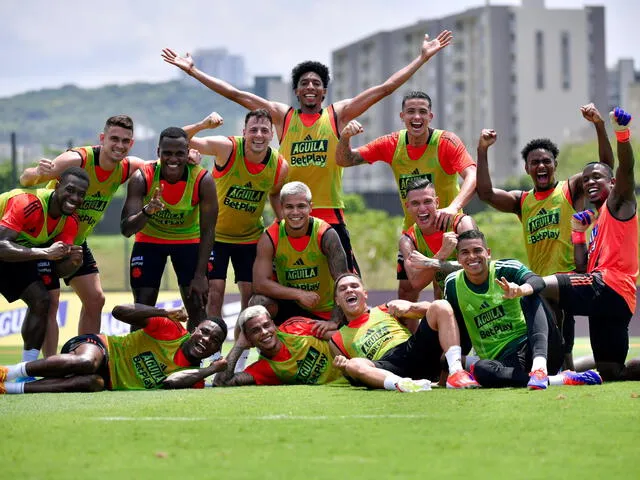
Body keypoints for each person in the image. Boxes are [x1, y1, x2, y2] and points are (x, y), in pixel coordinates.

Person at [162, 30, 453, 273]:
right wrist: (193, 71)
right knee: (292, 279)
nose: (310, 87)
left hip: (330, 212)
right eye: (304, 84)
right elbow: (236, 95)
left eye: (316, 83)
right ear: (297, 91)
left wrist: (423, 57)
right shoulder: (282, 116)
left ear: (324, 91)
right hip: (293, 214)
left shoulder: (337, 115)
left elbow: (385, 88)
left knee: (347, 278)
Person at [475, 103, 615, 369]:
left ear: (555, 165)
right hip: (539, 280)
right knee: (554, 342)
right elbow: (485, 194)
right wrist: (482, 150)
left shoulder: (570, 189)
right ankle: (571, 370)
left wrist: (598, 124)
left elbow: (604, 167)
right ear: (527, 169)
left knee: (565, 336)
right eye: (534, 162)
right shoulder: (522, 201)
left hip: (570, 275)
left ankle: (576, 369)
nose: (541, 166)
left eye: (546, 161)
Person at [521, 108, 639, 383]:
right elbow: (582, 268)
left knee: (537, 287)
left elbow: (627, 168)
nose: (589, 182)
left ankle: (553, 366)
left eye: (597, 177)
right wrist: (577, 234)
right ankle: (566, 365)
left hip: (609, 286)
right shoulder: (597, 222)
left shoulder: (619, 204)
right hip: (613, 301)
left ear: (612, 182)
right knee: (612, 372)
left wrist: (622, 134)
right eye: (585, 180)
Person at [19, 115, 147, 356]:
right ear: (102, 138)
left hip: (75, 240)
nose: (119, 145)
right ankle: (51, 366)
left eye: (125, 141)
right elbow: (25, 179)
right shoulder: (77, 159)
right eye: (114, 139)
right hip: (48, 236)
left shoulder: (128, 167)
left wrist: (192, 156)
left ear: (131, 144)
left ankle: (80, 359)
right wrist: (37, 171)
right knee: (51, 302)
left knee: (96, 299)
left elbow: (163, 163)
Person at [443, 229, 602, 389]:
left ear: (488, 253)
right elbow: (455, 325)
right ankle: (559, 380)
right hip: (506, 363)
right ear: (458, 258)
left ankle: (539, 369)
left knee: (531, 293)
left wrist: (520, 290)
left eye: (477, 250)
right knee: (480, 369)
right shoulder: (452, 285)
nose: (472, 257)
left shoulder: (505, 268)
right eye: (465, 252)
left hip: (540, 347)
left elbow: (537, 281)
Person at [181, 110, 289, 319]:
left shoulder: (279, 165)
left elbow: (275, 194)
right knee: (215, 292)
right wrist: (203, 124)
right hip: (214, 236)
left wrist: (283, 227)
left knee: (250, 294)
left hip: (249, 238)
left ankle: (243, 351)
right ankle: (214, 350)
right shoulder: (227, 148)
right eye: (253, 130)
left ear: (271, 136)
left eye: (264, 130)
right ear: (244, 132)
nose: (258, 135)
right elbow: (177, 137)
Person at [0, 303, 228, 393]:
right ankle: (9, 372)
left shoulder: (195, 378)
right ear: (194, 329)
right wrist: (163, 312)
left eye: (214, 340)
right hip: (102, 348)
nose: (206, 340)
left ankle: (8, 389)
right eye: (205, 332)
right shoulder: (171, 330)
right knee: (86, 363)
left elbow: (170, 383)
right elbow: (119, 312)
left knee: (91, 383)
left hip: (108, 380)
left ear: (216, 349)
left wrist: (210, 370)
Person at [336, 91, 477, 233]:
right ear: (402, 117)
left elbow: (473, 175)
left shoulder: (446, 142)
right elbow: (344, 160)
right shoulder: (392, 143)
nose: (417, 117)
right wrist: (345, 137)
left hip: (450, 232)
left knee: (469, 227)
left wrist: (453, 208)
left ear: (430, 117)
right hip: (414, 237)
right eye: (411, 111)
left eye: (422, 112)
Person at [121, 127, 218, 332]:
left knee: (197, 304)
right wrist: (148, 211)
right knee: (143, 305)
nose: (173, 159)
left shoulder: (203, 180)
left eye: (179, 153)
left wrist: (200, 276)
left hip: (188, 242)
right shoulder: (142, 178)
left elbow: (208, 230)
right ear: (158, 152)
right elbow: (127, 229)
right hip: (149, 241)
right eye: (167, 153)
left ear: (187, 153)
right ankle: (137, 359)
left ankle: (196, 359)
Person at [0, 167, 88, 371]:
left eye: (81, 194)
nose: (74, 198)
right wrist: (44, 253)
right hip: (4, 248)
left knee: (41, 299)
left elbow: (55, 271)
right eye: (70, 190)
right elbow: (1, 245)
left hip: (12, 255)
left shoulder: (71, 222)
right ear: (57, 186)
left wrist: (72, 263)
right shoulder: (28, 203)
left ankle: (25, 369)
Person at [329, 273, 479, 391]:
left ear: (365, 294)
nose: (349, 290)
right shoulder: (336, 339)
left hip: (411, 349)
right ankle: (403, 385)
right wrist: (344, 367)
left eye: (354, 286)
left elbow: (437, 310)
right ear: (337, 300)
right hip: (386, 366)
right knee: (353, 364)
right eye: (343, 289)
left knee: (440, 305)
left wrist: (411, 307)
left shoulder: (386, 308)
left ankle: (456, 372)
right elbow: (355, 377)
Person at [251, 181, 349, 336]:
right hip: (294, 309)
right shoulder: (270, 237)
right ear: (281, 208)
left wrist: (334, 321)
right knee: (257, 303)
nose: (295, 212)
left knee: (339, 341)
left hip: (326, 313)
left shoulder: (325, 234)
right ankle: (266, 353)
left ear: (311, 207)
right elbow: (259, 284)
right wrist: (299, 294)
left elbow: (342, 281)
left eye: (301, 206)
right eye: (289, 207)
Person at [213, 305, 342, 386]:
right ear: (248, 339)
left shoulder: (294, 327)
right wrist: (239, 345)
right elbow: (221, 382)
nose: (264, 332)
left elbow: (340, 337)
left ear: (274, 325)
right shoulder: (264, 369)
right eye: (255, 330)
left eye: (266, 325)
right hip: (342, 384)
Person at [398, 178, 476, 304]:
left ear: (437, 202)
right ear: (408, 207)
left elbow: (477, 267)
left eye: (427, 201)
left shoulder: (461, 224)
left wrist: (429, 263)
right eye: (415, 203)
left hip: (476, 302)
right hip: (445, 309)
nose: (422, 208)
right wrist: (441, 255)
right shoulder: (408, 240)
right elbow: (416, 283)